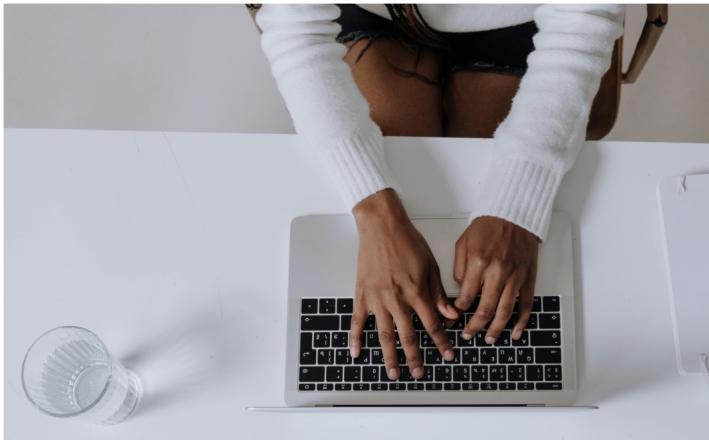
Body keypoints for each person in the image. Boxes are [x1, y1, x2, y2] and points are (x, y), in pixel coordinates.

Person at [256, 4, 624, 381]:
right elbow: (294, 30)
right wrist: (373, 211)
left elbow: (584, 20)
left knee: (484, 268)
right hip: (377, 13)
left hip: (519, 18)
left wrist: (516, 206)